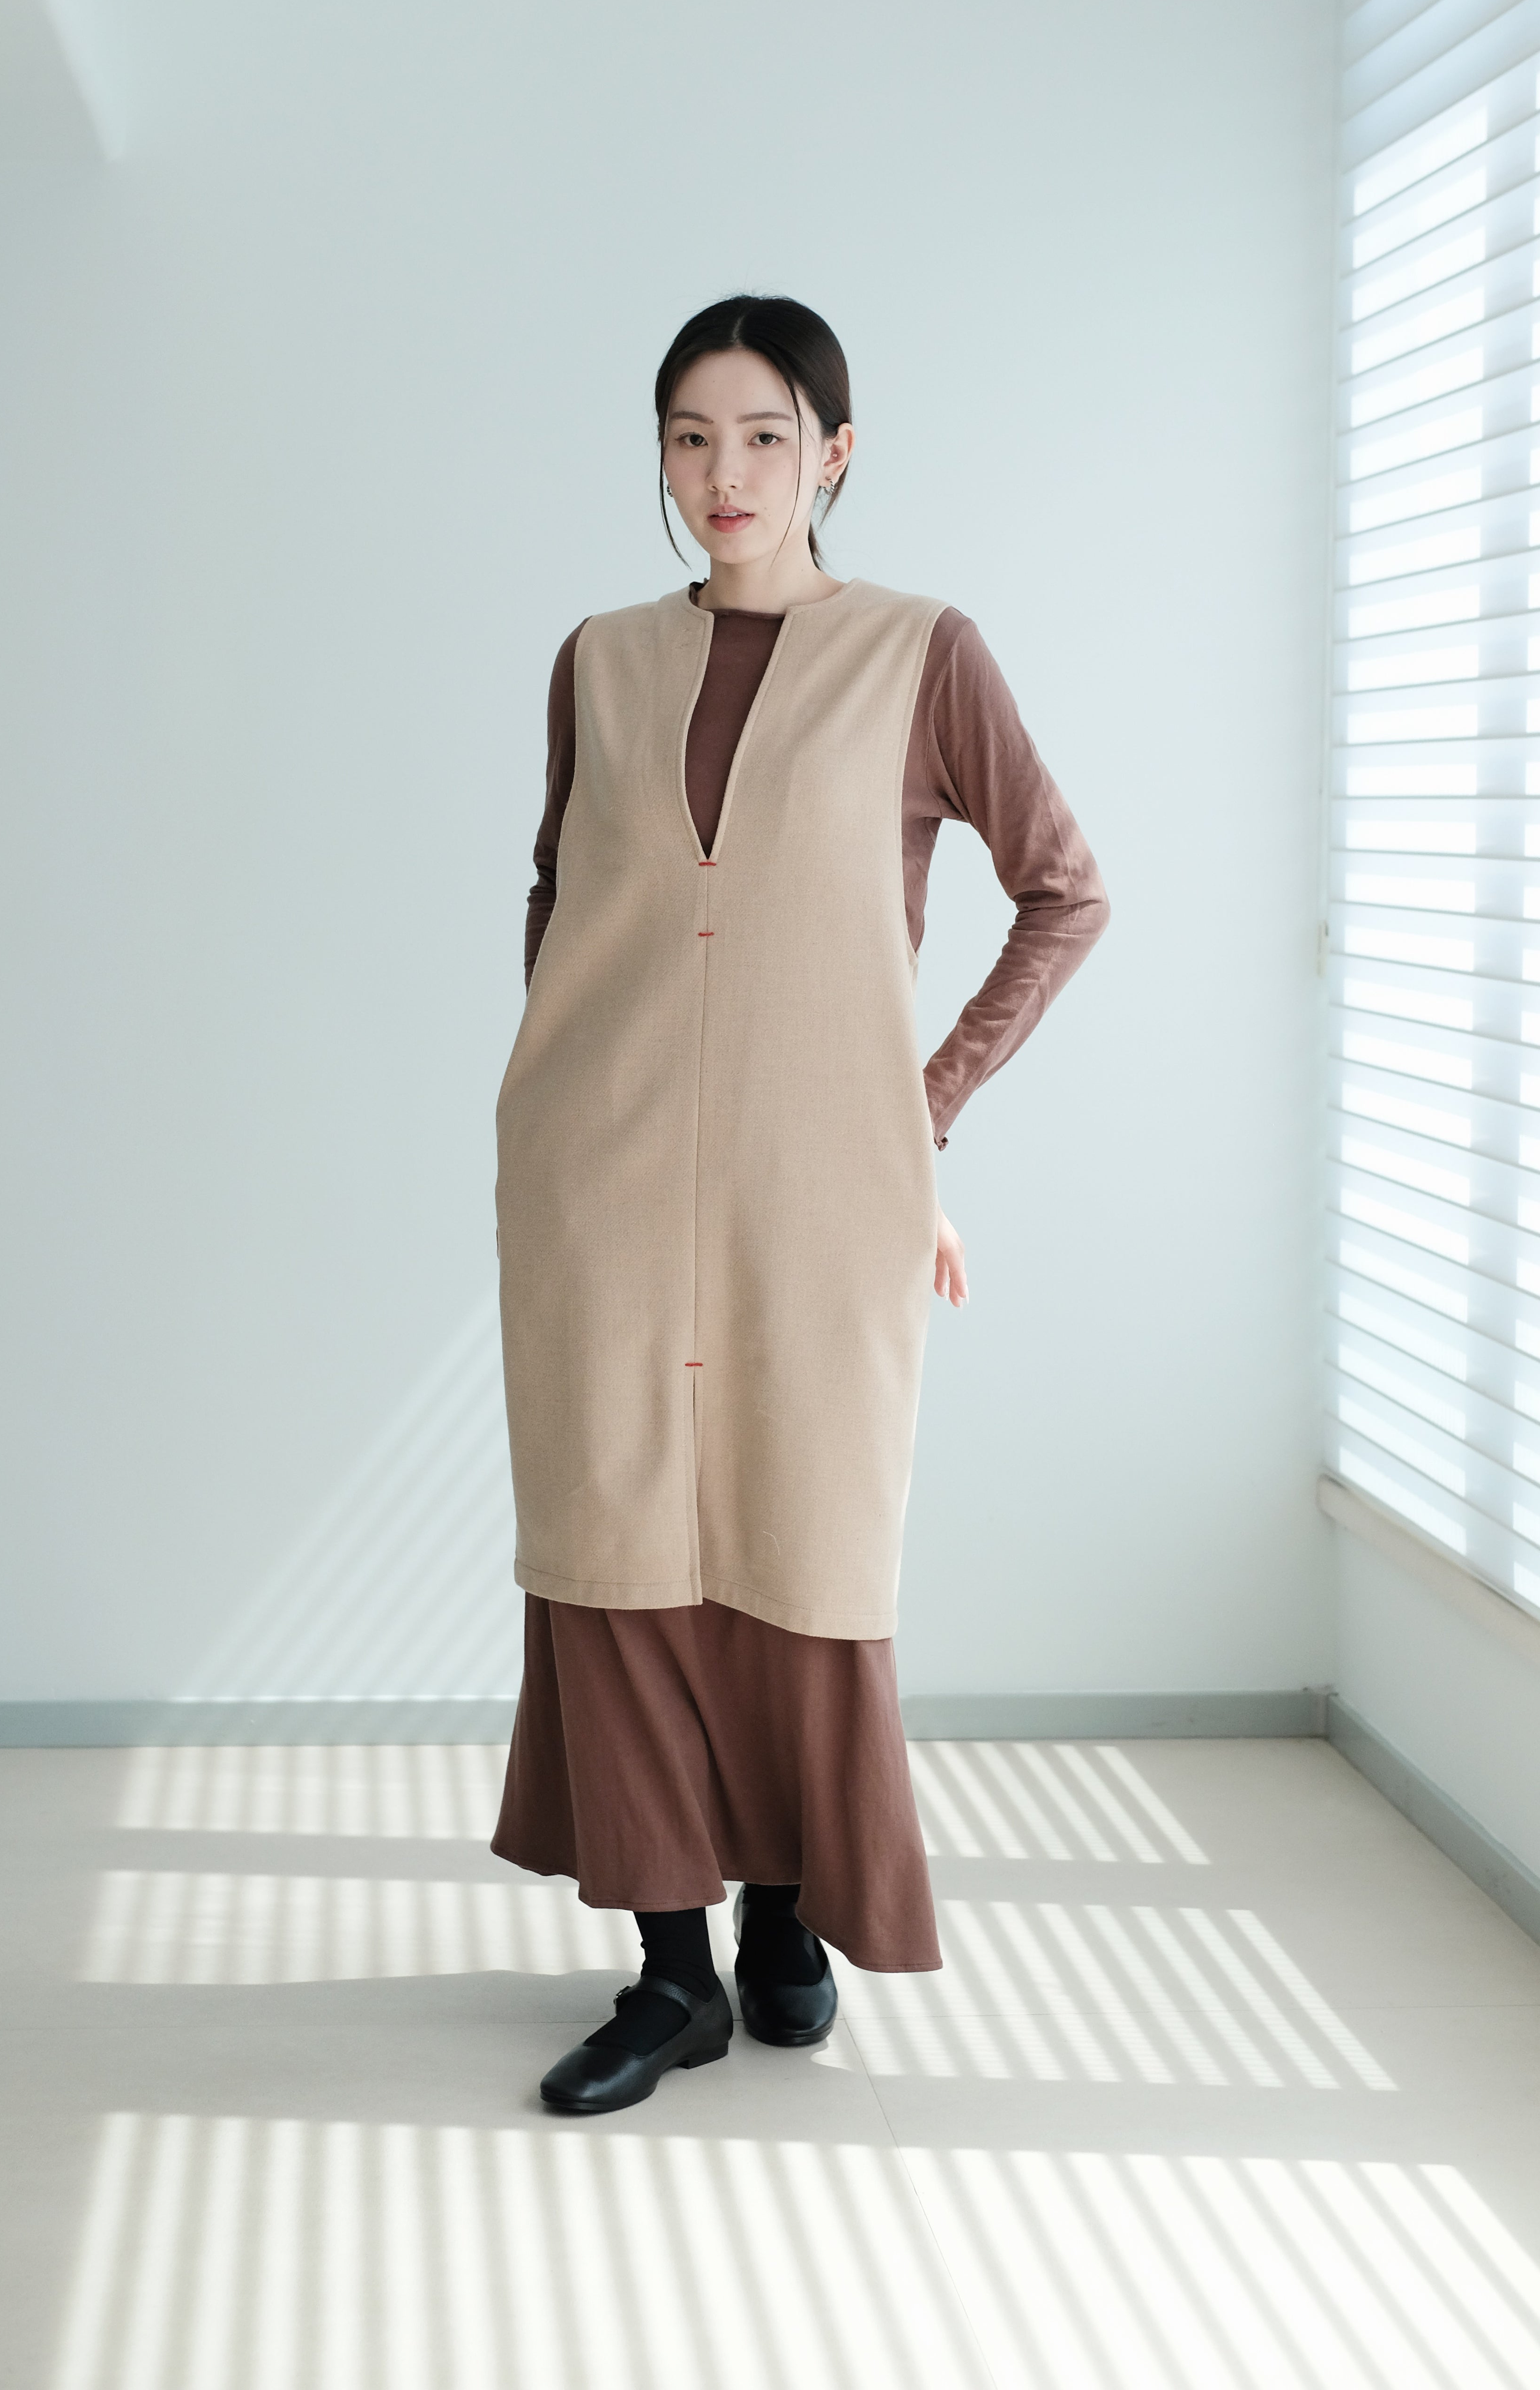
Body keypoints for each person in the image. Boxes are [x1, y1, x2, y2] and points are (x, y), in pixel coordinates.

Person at [491, 294, 1109, 2113]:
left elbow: (1064, 890)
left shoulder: (921, 655)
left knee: (800, 1542)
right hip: (595, 1187)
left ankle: (785, 1916)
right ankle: (670, 1973)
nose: (725, 473)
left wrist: (918, 1119)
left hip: (824, 1192)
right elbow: (560, 891)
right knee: (617, 1547)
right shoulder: (600, 661)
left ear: (834, 451)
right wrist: (556, 1100)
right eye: (690, 437)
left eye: (765, 434)